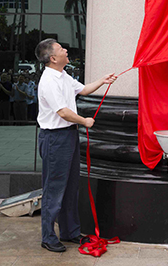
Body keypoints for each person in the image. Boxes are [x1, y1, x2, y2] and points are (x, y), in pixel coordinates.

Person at [36, 38, 117, 253]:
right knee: (54, 189)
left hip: (68, 136)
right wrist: (84, 121)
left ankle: (70, 231)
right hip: (54, 138)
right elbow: (62, 111)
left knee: (71, 186)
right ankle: (48, 236)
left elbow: (83, 90)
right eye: (61, 49)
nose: (66, 50)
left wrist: (102, 80)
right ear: (53, 58)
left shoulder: (63, 76)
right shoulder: (49, 81)